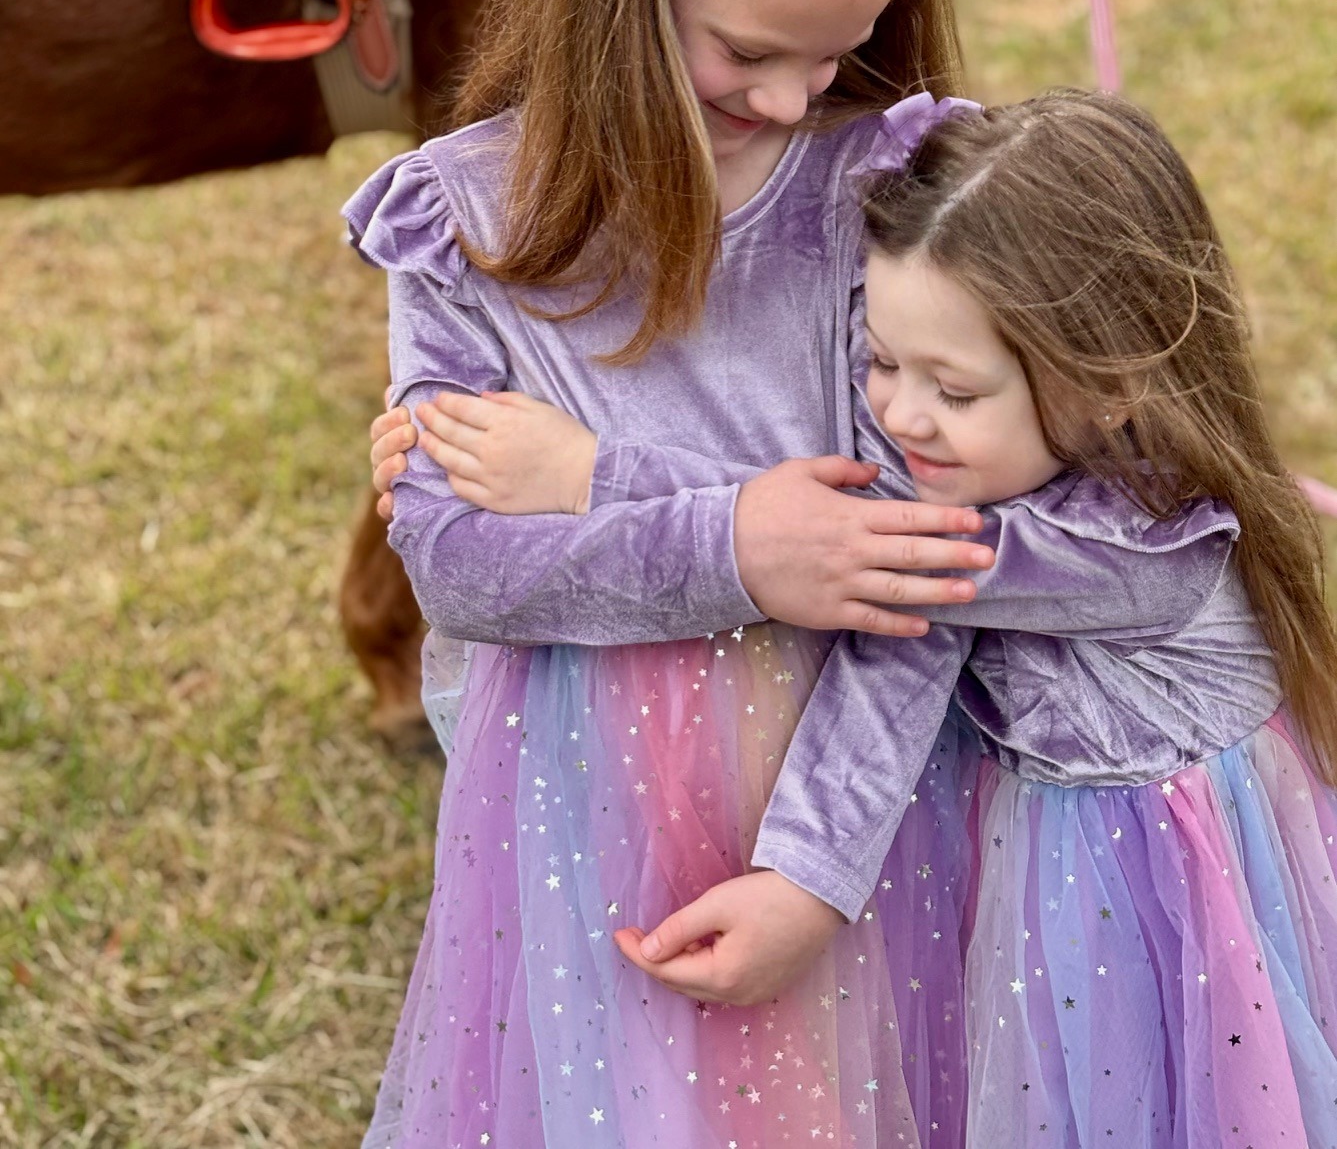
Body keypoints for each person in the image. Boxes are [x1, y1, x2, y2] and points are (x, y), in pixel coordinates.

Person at [397, 89, 1337, 1147]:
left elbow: (853, 541)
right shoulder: (986, 486)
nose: (897, 413)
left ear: (1111, 383)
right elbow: (893, 621)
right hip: (1056, 867)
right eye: (882, 362)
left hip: (1152, 901)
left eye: (953, 387)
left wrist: (591, 471)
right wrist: (804, 872)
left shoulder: (1130, 548)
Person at [344, 0, 997, 1149]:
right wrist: (738, 542)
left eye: (835, 55)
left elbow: (928, 547)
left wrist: (605, 480)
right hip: (589, 788)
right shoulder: (466, 219)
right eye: (745, 51)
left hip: (847, 790)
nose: (790, 95)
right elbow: (453, 563)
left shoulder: (879, 192)